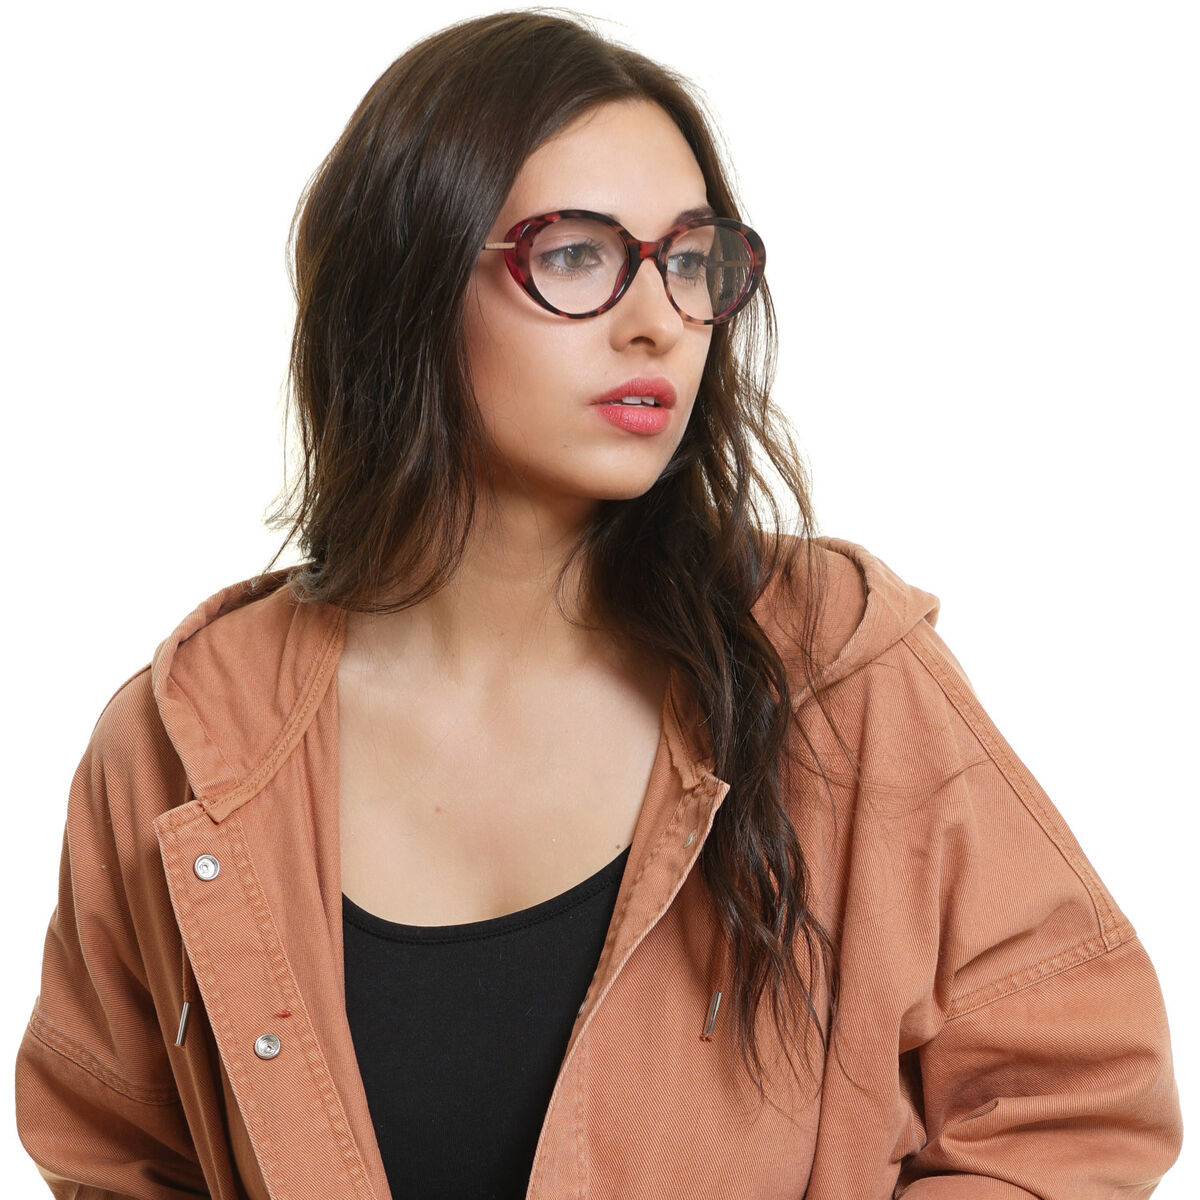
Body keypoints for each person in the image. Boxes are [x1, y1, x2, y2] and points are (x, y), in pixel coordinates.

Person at [14, 10, 1183, 1199]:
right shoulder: (183, 744)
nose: (659, 319)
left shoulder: (833, 671)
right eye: (576, 254)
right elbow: (114, 1157)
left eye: (691, 261)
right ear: (404, 276)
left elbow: (1070, 1103)